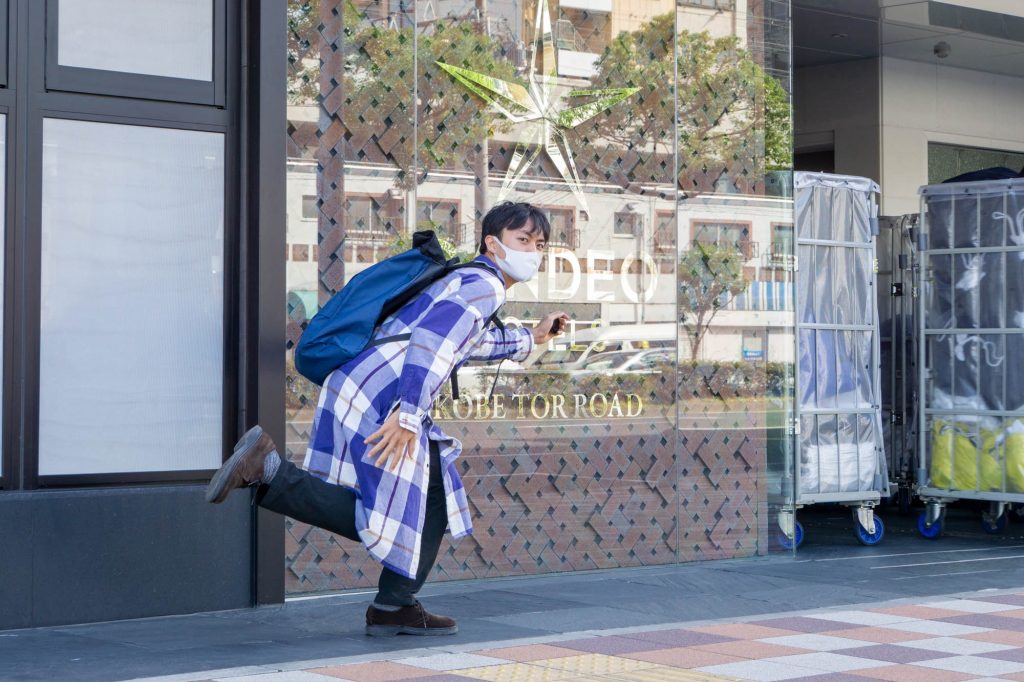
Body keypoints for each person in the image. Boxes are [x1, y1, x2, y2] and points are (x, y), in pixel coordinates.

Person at [206, 202, 568, 637]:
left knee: (429, 497)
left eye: (539, 244)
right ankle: (269, 471)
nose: (532, 251)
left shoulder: (467, 279)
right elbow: (432, 343)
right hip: (387, 395)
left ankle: (394, 605)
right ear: (493, 243)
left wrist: (532, 337)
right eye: (522, 240)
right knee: (395, 510)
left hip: (367, 384)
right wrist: (408, 414)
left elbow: (468, 342)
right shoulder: (485, 286)